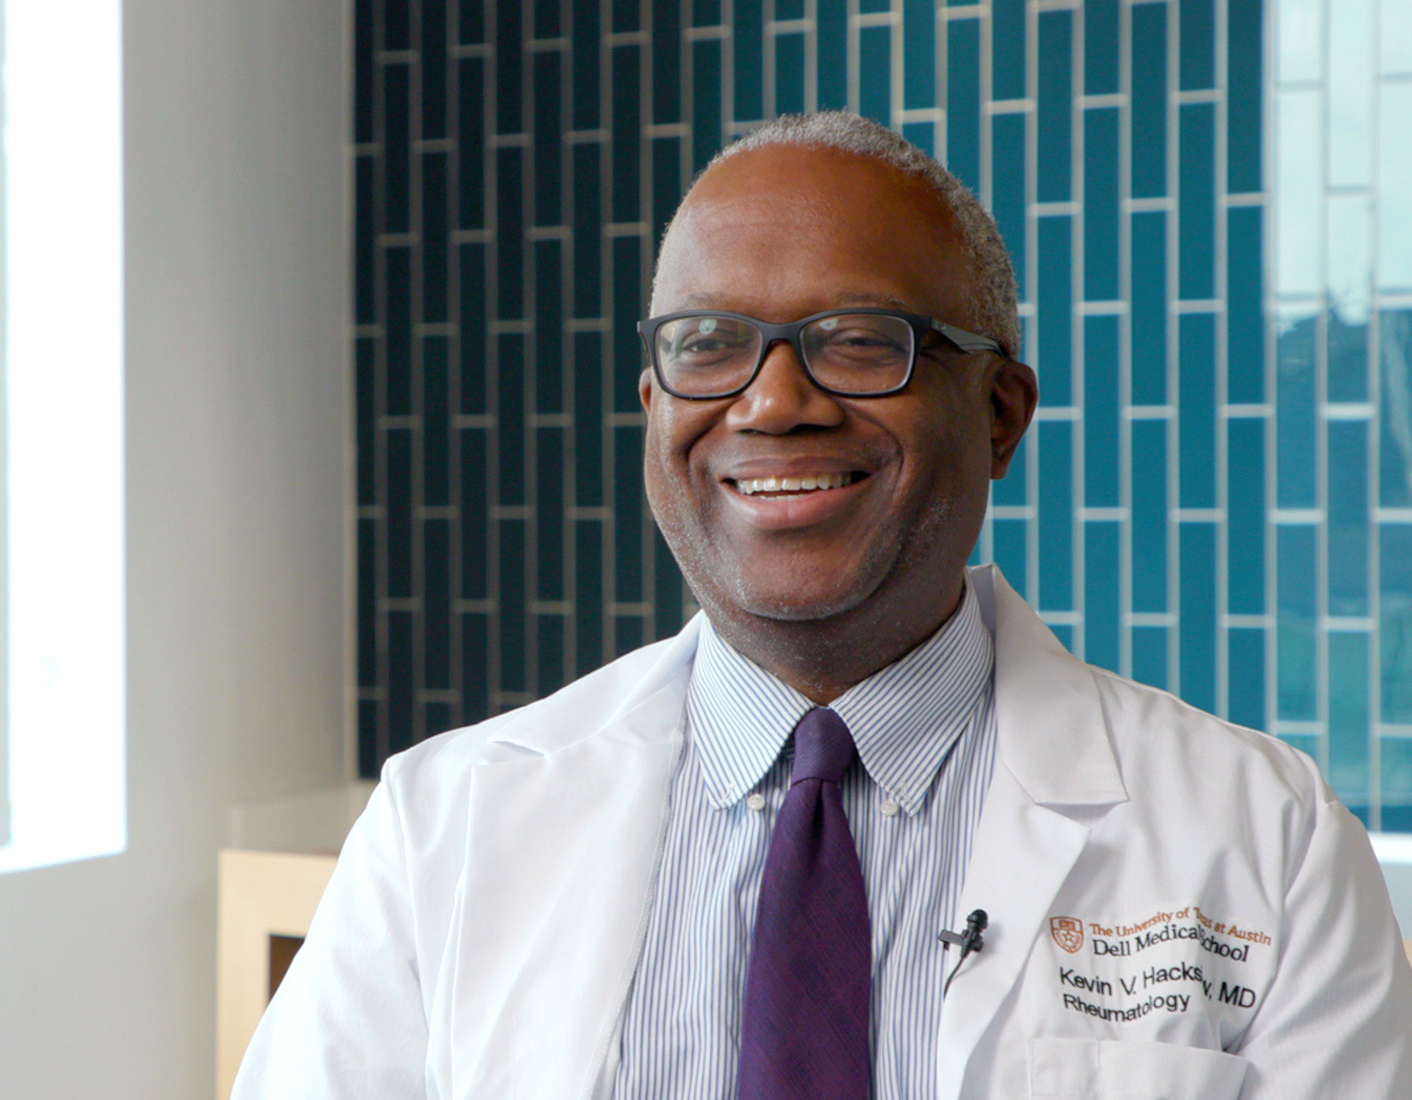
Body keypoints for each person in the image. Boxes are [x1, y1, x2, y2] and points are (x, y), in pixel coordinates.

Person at [232, 112, 1412, 1099]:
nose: (773, 400)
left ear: (1000, 414)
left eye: (859, 342)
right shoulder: (447, 821)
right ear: (653, 406)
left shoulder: (1270, 842)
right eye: (710, 345)